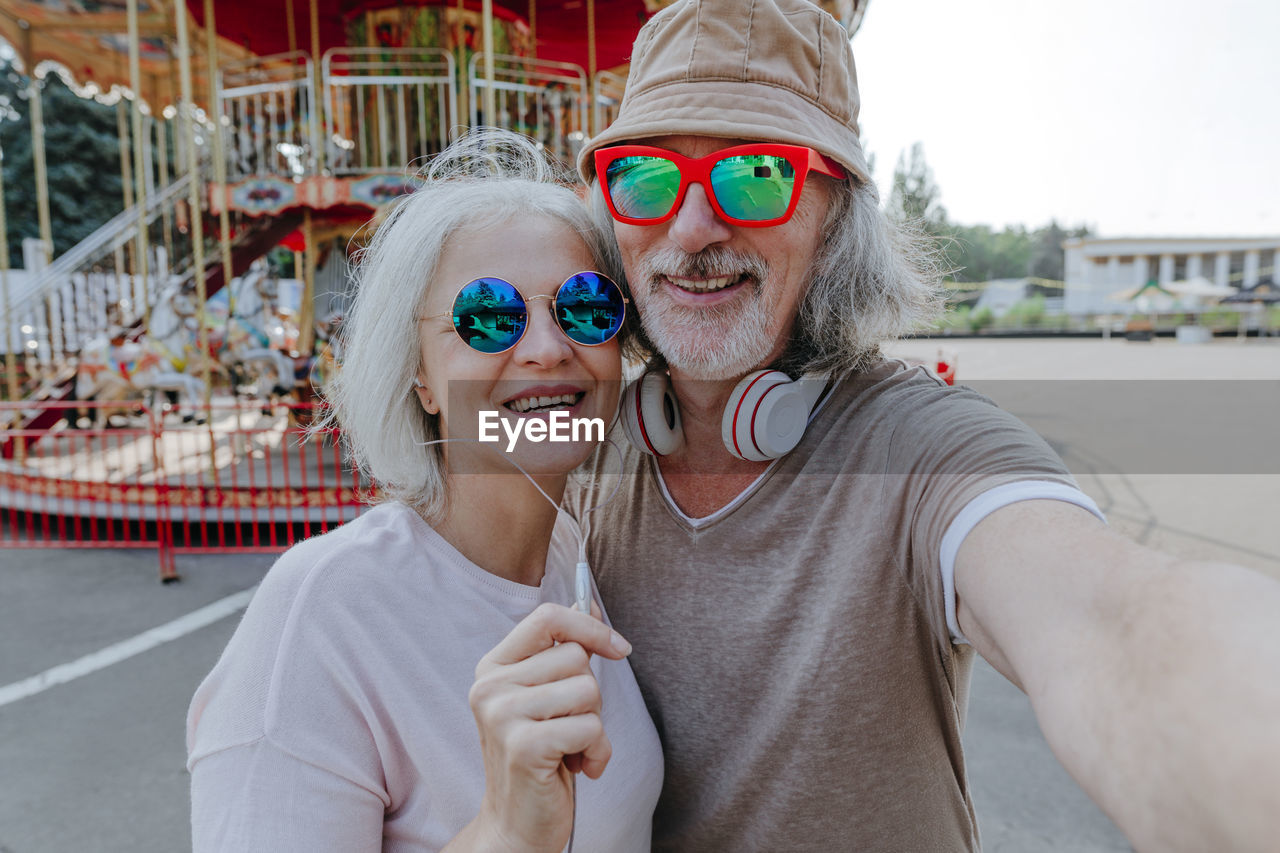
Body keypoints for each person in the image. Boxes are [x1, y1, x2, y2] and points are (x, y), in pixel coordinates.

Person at [568, 0, 1280, 850]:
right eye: (644, 177)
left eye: (756, 175)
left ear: (837, 218)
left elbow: (1109, 623)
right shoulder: (579, 445)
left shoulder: (924, 452)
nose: (689, 230)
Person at [186, 130, 663, 852]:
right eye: (488, 316)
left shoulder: (582, 554)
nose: (545, 345)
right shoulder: (319, 615)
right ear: (420, 375)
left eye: (586, 305)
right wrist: (503, 831)